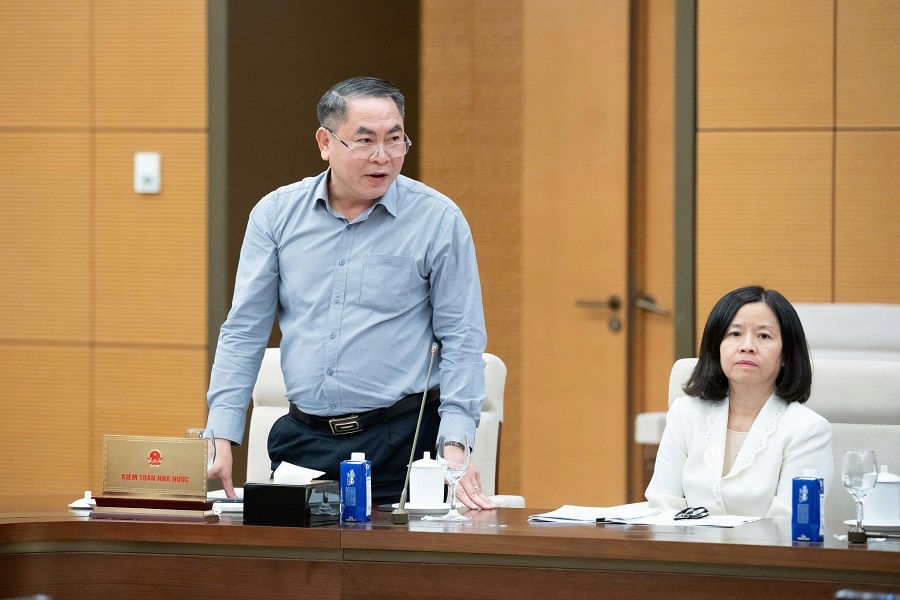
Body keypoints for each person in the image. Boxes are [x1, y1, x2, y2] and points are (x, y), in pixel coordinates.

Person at [205, 76, 495, 510]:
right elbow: (244, 330)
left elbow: (462, 339)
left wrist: (455, 446)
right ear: (326, 142)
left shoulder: (437, 220)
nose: (383, 156)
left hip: (403, 443)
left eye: (395, 139)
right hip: (303, 443)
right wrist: (221, 435)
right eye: (365, 140)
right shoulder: (276, 214)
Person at [645, 285, 833, 518]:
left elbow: (792, 522)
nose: (747, 346)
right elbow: (662, 505)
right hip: (686, 542)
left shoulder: (808, 430)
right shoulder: (685, 414)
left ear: (785, 354)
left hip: (768, 544)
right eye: (735, 334)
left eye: (763, 336)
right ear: (717, 346)